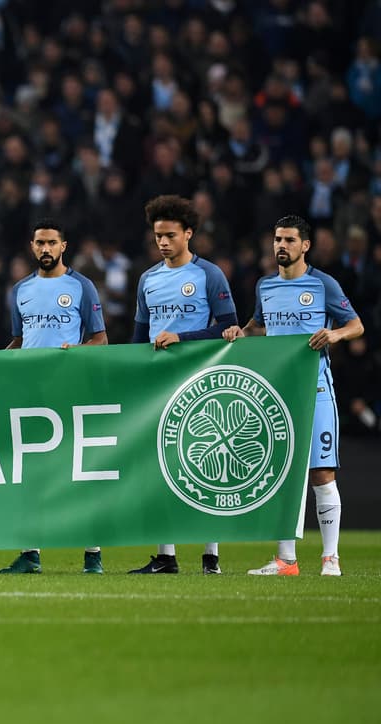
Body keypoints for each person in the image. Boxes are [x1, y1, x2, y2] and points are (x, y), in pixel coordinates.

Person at [225, 215, 365, 577]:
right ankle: (286, 561)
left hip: (315, 390)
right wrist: (240, 332)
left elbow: (356, 325)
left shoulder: (323, 284)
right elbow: (257, 325)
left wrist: (334, 336)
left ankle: (330, 558)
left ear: (305, 246)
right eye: (277, 239)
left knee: (321, 473)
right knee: (283, 475)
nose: (281, 246)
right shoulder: (265, 286)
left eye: (289, 240)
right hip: (278, 393)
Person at [0, 220, 107, 574]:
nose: (45, 249)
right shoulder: (20, 290)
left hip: (69, 391)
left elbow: (100, 340)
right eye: (40, 243)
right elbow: (21, 340)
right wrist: (0, 357)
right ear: (32, 245)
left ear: (63, 246)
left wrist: (78, 351)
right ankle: (30, 553)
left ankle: (93, 554)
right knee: (31, 473)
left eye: (52, 243)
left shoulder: (82, 287)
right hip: (30, 393)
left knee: (79, 474)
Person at [129, 194, 237, 575]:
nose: (162, 242)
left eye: (170, 235)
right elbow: (140, 337)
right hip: (159, 382)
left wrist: (182, 338)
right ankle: (166, 556)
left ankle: (211, 556)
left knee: (206, 464)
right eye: (158, 235)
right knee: (160, 465)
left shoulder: (209, 275)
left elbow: (228, 327)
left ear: (188, 234)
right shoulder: (148, 279)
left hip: (201, 380)